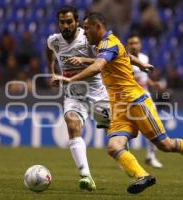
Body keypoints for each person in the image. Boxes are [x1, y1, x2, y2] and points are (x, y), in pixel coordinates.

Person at [53, 12, 183, 194]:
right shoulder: (105, 45)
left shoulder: (109, 43)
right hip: (119, 108)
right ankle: (143, 176)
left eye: (87, 28)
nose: (84, 33)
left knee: (165, 145)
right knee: (113, 147)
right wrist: (140, 64)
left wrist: (70, 79)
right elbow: (122, 56)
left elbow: (98, 66)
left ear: (98, 27)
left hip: (136, 102)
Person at [46, 6, 110, 192]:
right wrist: (52, 71)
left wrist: (84, 61)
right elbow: (49, 50)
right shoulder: (54, 41)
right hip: (73, 96)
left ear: (76, 22)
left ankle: (128, 161)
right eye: (62, 22)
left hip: (98, 95)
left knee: (116, 134)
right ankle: (85, 175)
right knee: (72, 126)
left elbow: (104, 61)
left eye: (69, 22)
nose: (65, 26)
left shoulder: (87, 39)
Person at [126, 34, 163, 168]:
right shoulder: (124, 59)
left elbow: (143, 76)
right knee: (127, 127)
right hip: (128, 97)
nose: (134, 45)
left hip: (144, 96)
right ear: (127, 45)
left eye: (136, 43)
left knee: (154, 126)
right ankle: (125, 158)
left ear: (140, 45)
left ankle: (150, 156)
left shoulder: (144, 58)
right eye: (131, 43)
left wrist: (152, 84)